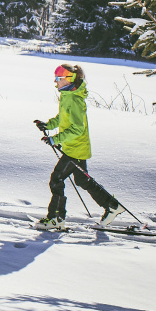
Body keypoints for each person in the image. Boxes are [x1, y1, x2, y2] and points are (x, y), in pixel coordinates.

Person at [34, 64, 125, 230]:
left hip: (75, 149)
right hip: (74, 148)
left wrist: (56, 139)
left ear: (68, 79)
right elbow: (63, 118)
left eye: (58, 78)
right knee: (82, 180)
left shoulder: (75, 100)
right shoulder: (68, 95)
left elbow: (77, 128)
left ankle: (56, 218)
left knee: (56, 179)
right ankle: (112, 206)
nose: (55, 81)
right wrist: (48, 125)